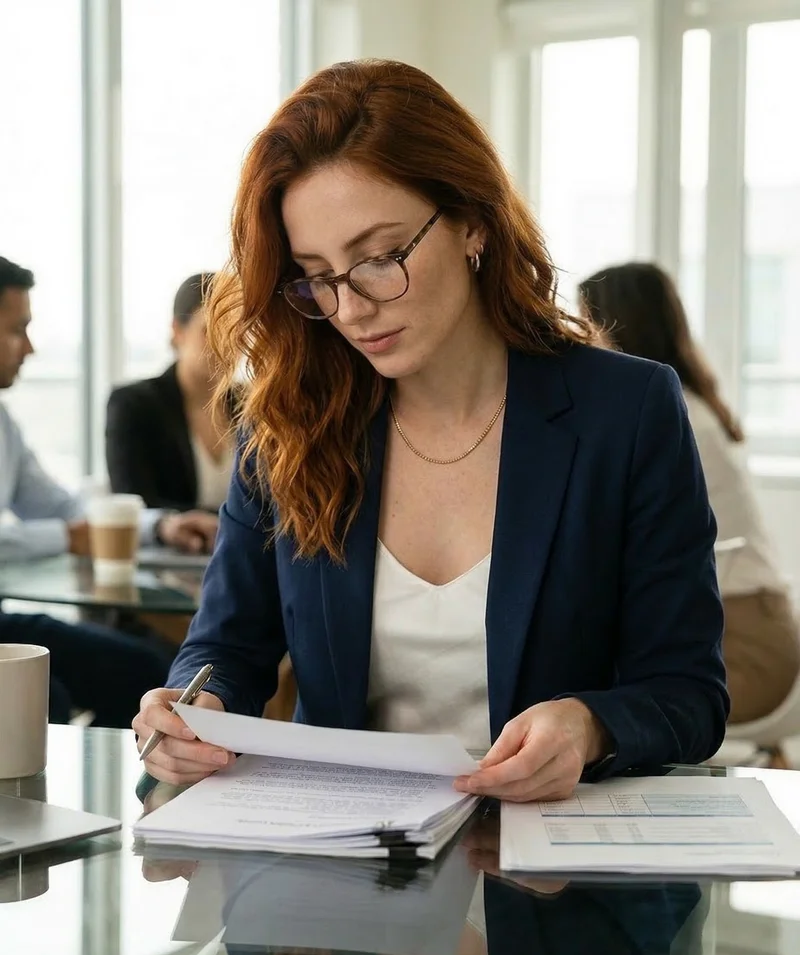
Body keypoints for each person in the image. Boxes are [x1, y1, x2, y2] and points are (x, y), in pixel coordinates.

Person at [134, 60, 728, 801]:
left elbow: (688, 691)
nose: (350, 308)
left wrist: (588, 724)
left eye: (380, 258)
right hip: (343, 860)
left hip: (554, 875)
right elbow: (227, 646)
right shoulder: (287, 422)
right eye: (318, 274)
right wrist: (194, 705)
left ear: (471, 222)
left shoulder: (628, 410)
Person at [579, 261, 800, 724]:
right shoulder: (693, 404)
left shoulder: (669, 418)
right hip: (755, 621)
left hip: (745, 642)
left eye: (586, 322)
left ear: (615, 324)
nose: (582, 342)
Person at [0, 256, 218, 724]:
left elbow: (63, 506)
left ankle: (125, 792)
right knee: (45, 698)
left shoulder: (3, 426)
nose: (31, 348)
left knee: (142, 670)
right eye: (18, 330)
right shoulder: (139, 403)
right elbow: (67, 527)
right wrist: (66, 537)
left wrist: (164, 526)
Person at [106, 272, 237, 513]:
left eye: (234, 330)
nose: (225, 343)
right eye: (210, 331)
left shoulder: (251, 406)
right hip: (171, 550)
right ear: (178, 331)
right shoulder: (135, 405)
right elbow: (135, 503)